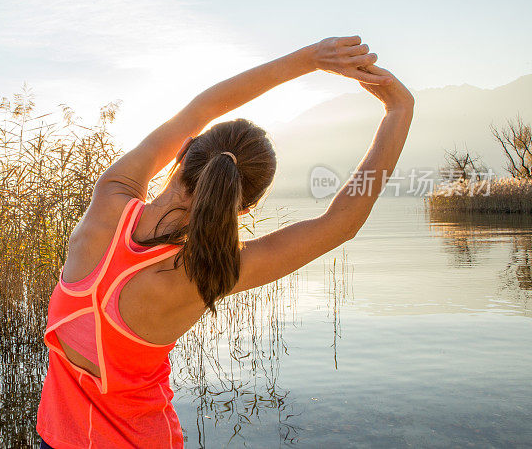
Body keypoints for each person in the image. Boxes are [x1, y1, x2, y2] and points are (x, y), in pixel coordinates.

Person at [35, 36, 415, 449]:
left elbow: (202, 109)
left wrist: (309, 59)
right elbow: (341, 223)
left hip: (54, 438)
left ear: (182, 155)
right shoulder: (205, 274)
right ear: (243, 210)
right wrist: (399, 110)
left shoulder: (110, 198)